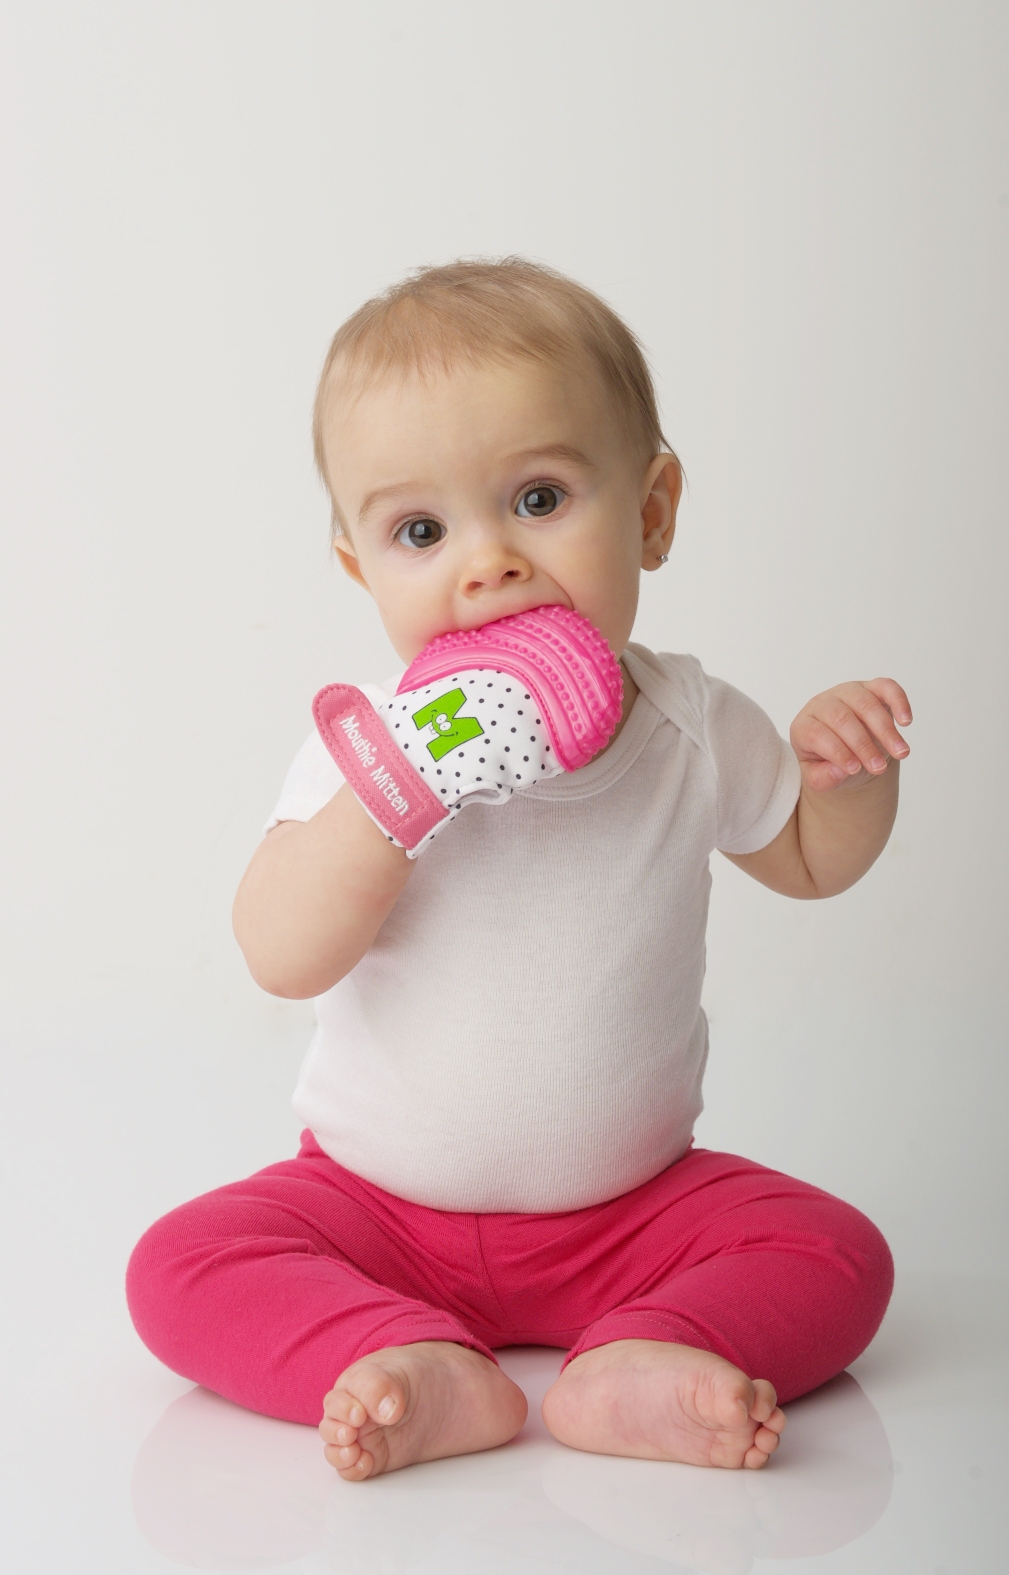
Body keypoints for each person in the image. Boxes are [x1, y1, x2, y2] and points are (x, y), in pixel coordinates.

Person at [127, 259, 908, 1482]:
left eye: (539, 498)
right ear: (360, 569)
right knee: (178, 1267)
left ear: (651, 512)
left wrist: (844, 778)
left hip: (631, 1212)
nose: (484, 565)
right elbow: (280, 956)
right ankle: (403, 1356)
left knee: (839, 1254)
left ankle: (643, 1355)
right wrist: (394, 798)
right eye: (421, 532)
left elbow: (807, 861)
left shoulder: (691, 723)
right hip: (375, 1208)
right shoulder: (374, 744)